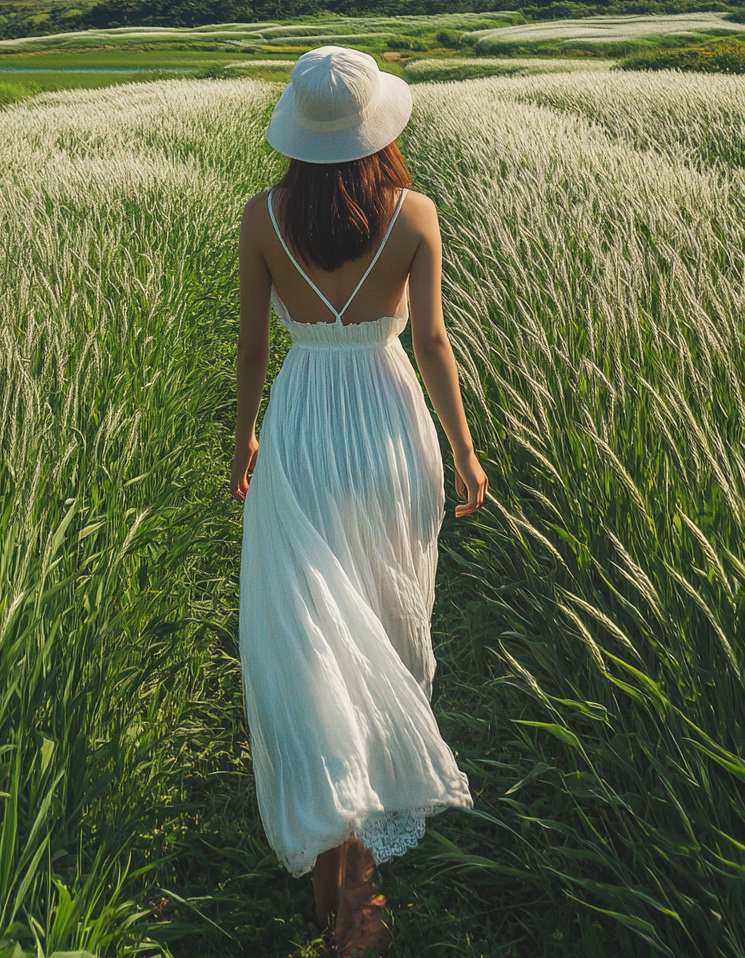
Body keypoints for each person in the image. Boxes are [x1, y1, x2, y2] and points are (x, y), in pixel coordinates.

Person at [231, 46, 488, 955]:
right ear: (376, 129)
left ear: (298, 135)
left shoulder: (262, 219)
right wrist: (462, 450)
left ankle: (332, 870)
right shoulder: (414, 215)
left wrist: (244, 444)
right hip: (385, 434)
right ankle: (362, 891)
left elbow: (254, 357)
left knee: (313, 648)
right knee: (379, 626)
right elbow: (432, 344)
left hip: (302, 431)